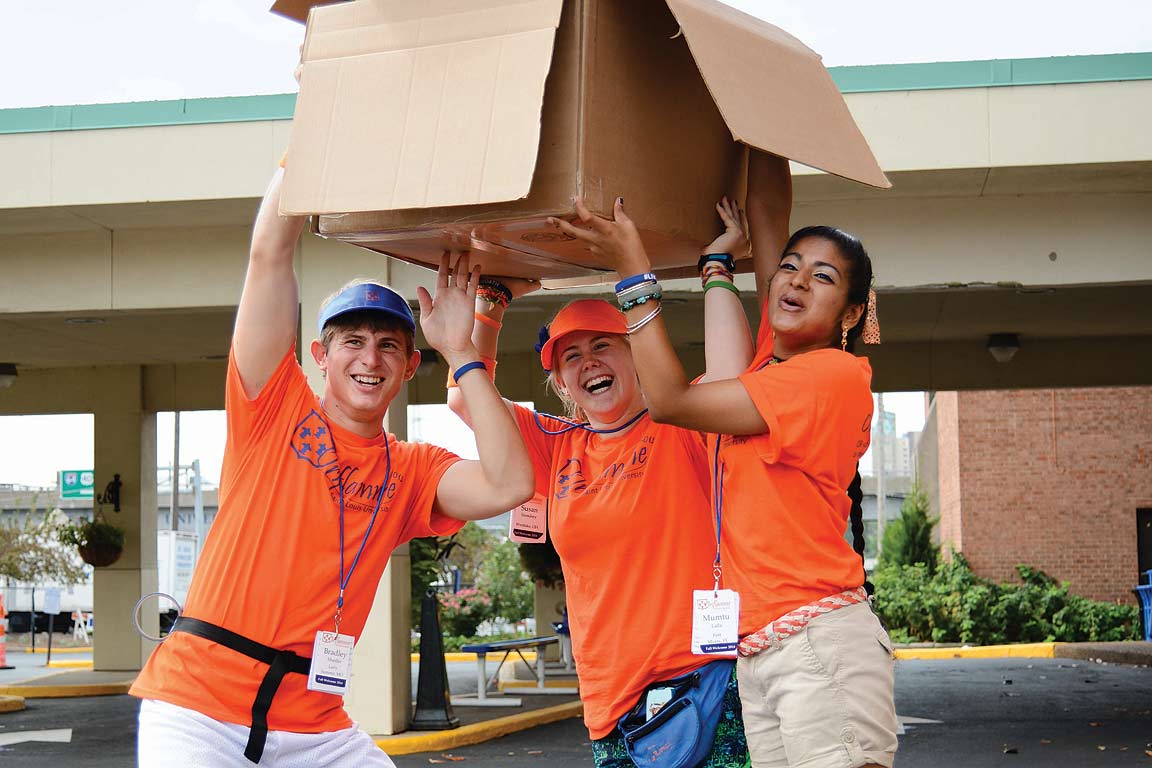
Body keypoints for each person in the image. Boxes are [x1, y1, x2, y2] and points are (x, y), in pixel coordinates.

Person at [130, 163, 535, 767]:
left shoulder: (412, 470)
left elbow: (510, 482)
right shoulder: (273, 407)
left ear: (405, 368)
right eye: (353, 340)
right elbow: (270, 251)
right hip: (196, 710)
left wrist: (461, 350)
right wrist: (311, 140)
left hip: (315, 727)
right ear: (319, 354)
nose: (370, 357)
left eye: (389, 345)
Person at [550, 149, 898, 768]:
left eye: (822, 277)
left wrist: (634, 273)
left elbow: (673, 401)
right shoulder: (773, 358)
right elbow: (768, 209)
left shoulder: (829, 378)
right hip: (762, 652)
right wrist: (753, 107)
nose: (794, 280)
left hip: (818, 638)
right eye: (789, 268)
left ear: (850, 314)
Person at [445, 199, 755, 768]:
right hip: (610, 703)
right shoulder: (558, 447)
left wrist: (717, 267)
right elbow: (468, 395)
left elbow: (735, 372)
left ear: (638, 355)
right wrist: (489, 308)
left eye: (602, 345)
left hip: (702, 686)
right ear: (562, 383)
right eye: (570, 357)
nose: (587, 362)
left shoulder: (683, 423)